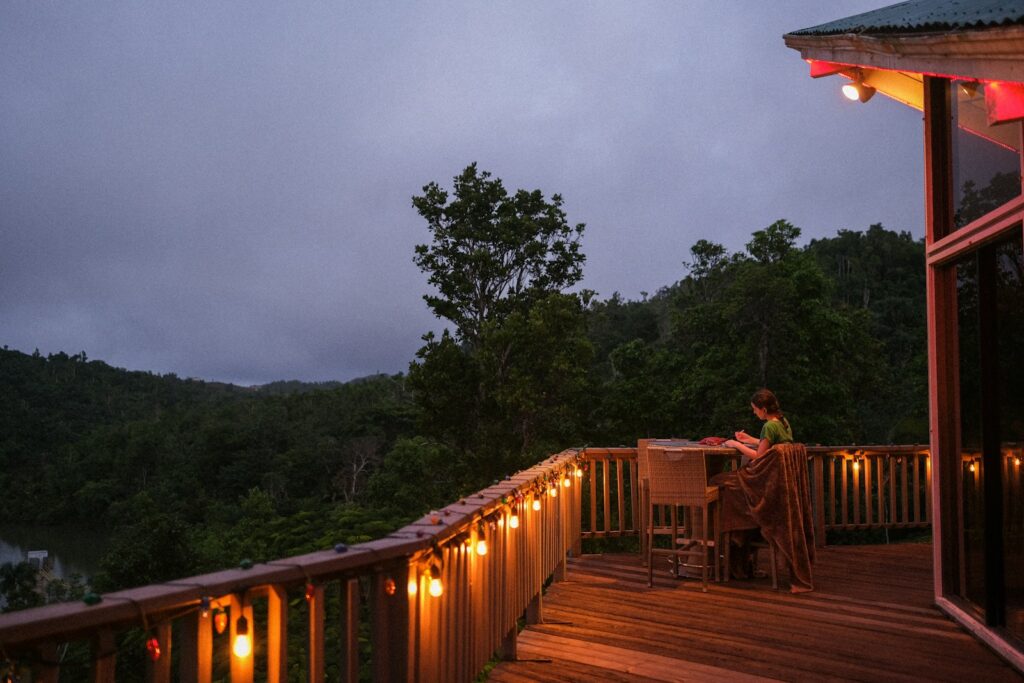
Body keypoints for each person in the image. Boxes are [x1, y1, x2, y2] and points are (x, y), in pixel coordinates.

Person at [722, 388, 792, 463]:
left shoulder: (769, 426)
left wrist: (736, 444)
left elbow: (758, 456)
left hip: (771, 471)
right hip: (783, 469)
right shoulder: (783, 421)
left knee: (721, 475)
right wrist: (749, 439)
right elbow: (773, 444)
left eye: (755, 409)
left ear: (764, 410)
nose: (754, 412)